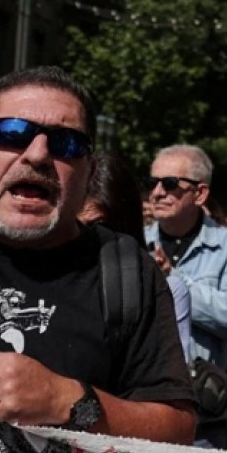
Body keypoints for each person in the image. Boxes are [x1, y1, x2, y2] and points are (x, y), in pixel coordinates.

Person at [0, 66, 194, 444]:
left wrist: (69, 402)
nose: (37, 154)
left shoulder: (126, 271)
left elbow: (178, 431)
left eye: (66, 143)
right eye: (11, 133)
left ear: (88, 175)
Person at [145, 144, 227, 447]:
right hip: (139, 404)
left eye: (169, 184)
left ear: (200, 194)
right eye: (151, 183)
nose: (156, 192)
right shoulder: (133, 241)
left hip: (201, 412)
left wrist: (174, 282)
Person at [80, 152, 193, 363]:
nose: (81, 238)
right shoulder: (44, 282)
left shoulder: (165, 290)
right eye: (72, 225)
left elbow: (171, 388)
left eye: (98, 228)